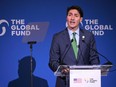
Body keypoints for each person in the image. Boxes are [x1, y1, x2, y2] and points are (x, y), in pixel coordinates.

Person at [48, 5, 100, 87]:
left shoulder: (89, 36)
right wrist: (62, 70)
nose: (72, 18)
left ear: (81, 19)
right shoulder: (57, 37)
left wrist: (96, 71)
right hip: (64, 81)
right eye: (70, 15)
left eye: (76, 15)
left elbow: (94, 58)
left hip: (85, 82)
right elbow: (53, 61)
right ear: (66, 18)